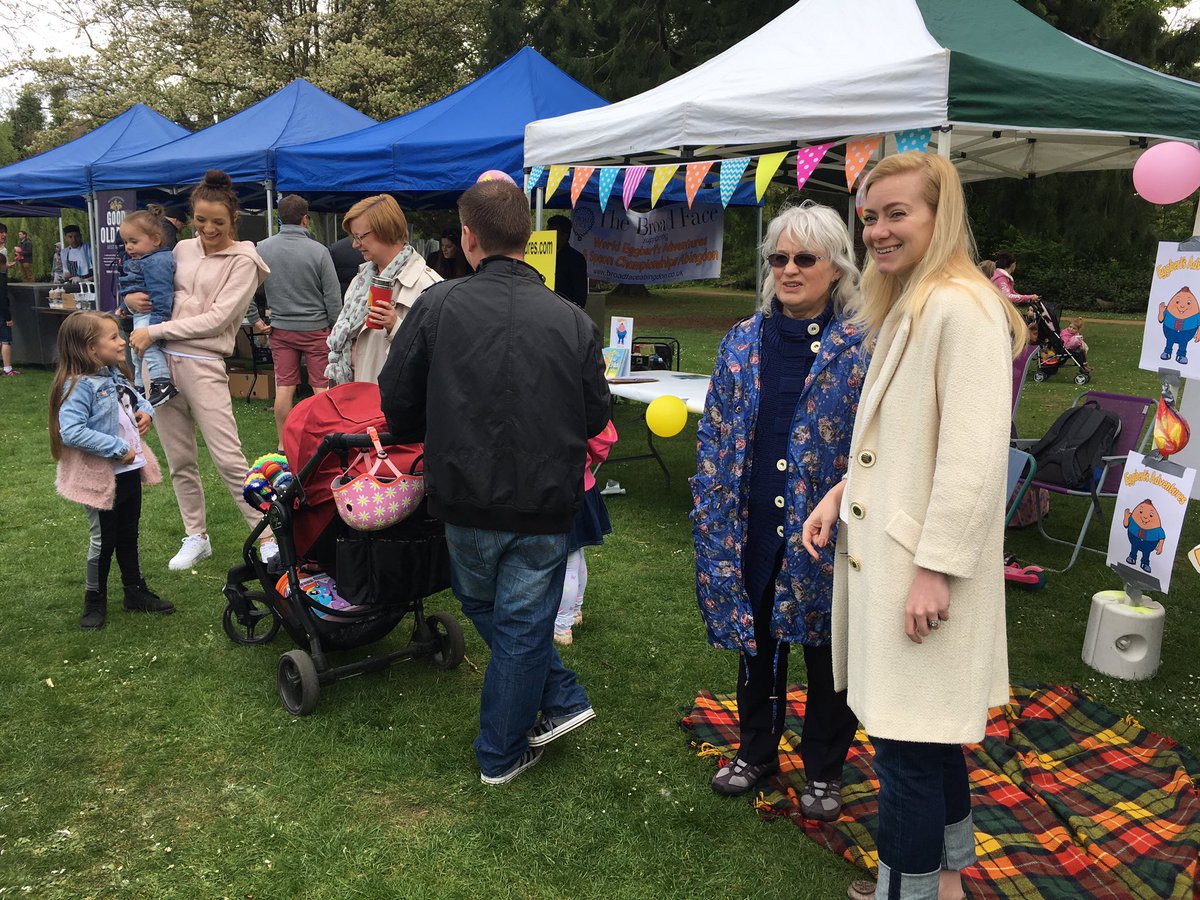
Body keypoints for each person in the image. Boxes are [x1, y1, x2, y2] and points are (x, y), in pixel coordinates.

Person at [802, 152, 1025, 900]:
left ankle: (910, 892)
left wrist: (935, 569)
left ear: (941, 214)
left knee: (904, 750)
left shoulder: (961, 308)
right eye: (870, 217)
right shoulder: (914, 301)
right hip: (898, 559)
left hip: (919, 571)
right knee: (924, 739)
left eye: (897, 213)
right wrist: (840, 493)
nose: (878, 231)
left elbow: (973, 460)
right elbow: (902, 443)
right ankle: (951, 877)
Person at [379, 179, 611, 786]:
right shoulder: (569, 319)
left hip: (477, 494)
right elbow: (596, 415)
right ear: (527, 239)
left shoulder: (440, 305)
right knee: (507, 617)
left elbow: (395, 400)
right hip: (525, 499)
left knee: (510, 617)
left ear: (467, 238)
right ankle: (553, 701)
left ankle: (502, 751)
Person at [693, 201, 869, 821]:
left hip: (830, 531)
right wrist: (711, 509)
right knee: (757, 644)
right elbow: (714, 432)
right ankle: (757, 750)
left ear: (836, 267)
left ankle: (824, 768)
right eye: (779, 258)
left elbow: (882, 441)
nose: (789, 270)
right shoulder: (743, 340)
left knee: (827, 654)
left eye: (805, 258)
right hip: (754, 527)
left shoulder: (863, 345)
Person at [127, 170, 274, 571]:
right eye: (200, 219)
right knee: (179, 460)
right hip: (159, 362)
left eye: (218, 221)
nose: (208, 229)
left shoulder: (245, 261)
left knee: (229, 458)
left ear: (234, 219)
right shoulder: (180, 249)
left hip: (204, 363)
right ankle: (196, 535)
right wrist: (131, 299)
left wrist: (156, 330)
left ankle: (266, 536)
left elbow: (217, 319)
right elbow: (152, 289)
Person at [49, 311, 174, 629]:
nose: (122, 342)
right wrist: (118, 448)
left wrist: (146, 413)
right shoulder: (78, 386)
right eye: (114, 337)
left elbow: (136, 399)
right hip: (100, 478)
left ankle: (135, 592)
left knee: (129, 533)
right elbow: (71, 431)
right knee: (103, 540)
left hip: (128, 472)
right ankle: (94, 600)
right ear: (90, 348)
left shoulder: (113, 374)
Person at [254, 194, 342, 445]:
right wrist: (336, 326)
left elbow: (244, 288)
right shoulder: (319, 251)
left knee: (284, 387)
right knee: (321, 387)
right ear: (305, 219)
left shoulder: (262, 248)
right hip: (316, 328)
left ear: (280, 217)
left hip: (281, 329)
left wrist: (255, 319)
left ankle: (283, 444)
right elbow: (332, 295)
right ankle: (326, 441)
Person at [325, 195, 440, 386]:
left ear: (387, 231)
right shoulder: (360, 280)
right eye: (353, 237)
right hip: (353, 395)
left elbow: (438, 356)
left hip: (391, 400)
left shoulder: (428, 286)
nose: (355, 245)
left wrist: (395, 326)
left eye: (360, 237)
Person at [554, 419, 617, 646]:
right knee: (577, 555)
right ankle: (575, 612)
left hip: (560, 490)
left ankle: (562, 626)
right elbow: (602, 437)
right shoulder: (582, 404)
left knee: (569, 560)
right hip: (584, 485)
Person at [118, 210, 178, 407]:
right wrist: (125, 305)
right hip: (140, 314)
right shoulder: (144, 260)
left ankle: (162, 382)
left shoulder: (157, 261)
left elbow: (162, 294)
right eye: (126, 242)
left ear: (156, 240)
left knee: (148, 348)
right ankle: (139, 385)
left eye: (134, 241)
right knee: (136, 350)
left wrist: (155, 326)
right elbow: (136, 286)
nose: (128, 247)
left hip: (150, 315)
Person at [548, 214, 588, 309]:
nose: (549, 236)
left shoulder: (575, 259)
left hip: (564, 310)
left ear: (564, 235)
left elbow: (580, 293)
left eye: (553, 232)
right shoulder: (543, 256)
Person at [0, 224, 15, 377]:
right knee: (5, 339)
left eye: (5, 232)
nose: (3, 235)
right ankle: (7, 368)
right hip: (2, 312)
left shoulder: (4, 249)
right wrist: (8, 318)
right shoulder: (2, 280)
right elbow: (3, 298)